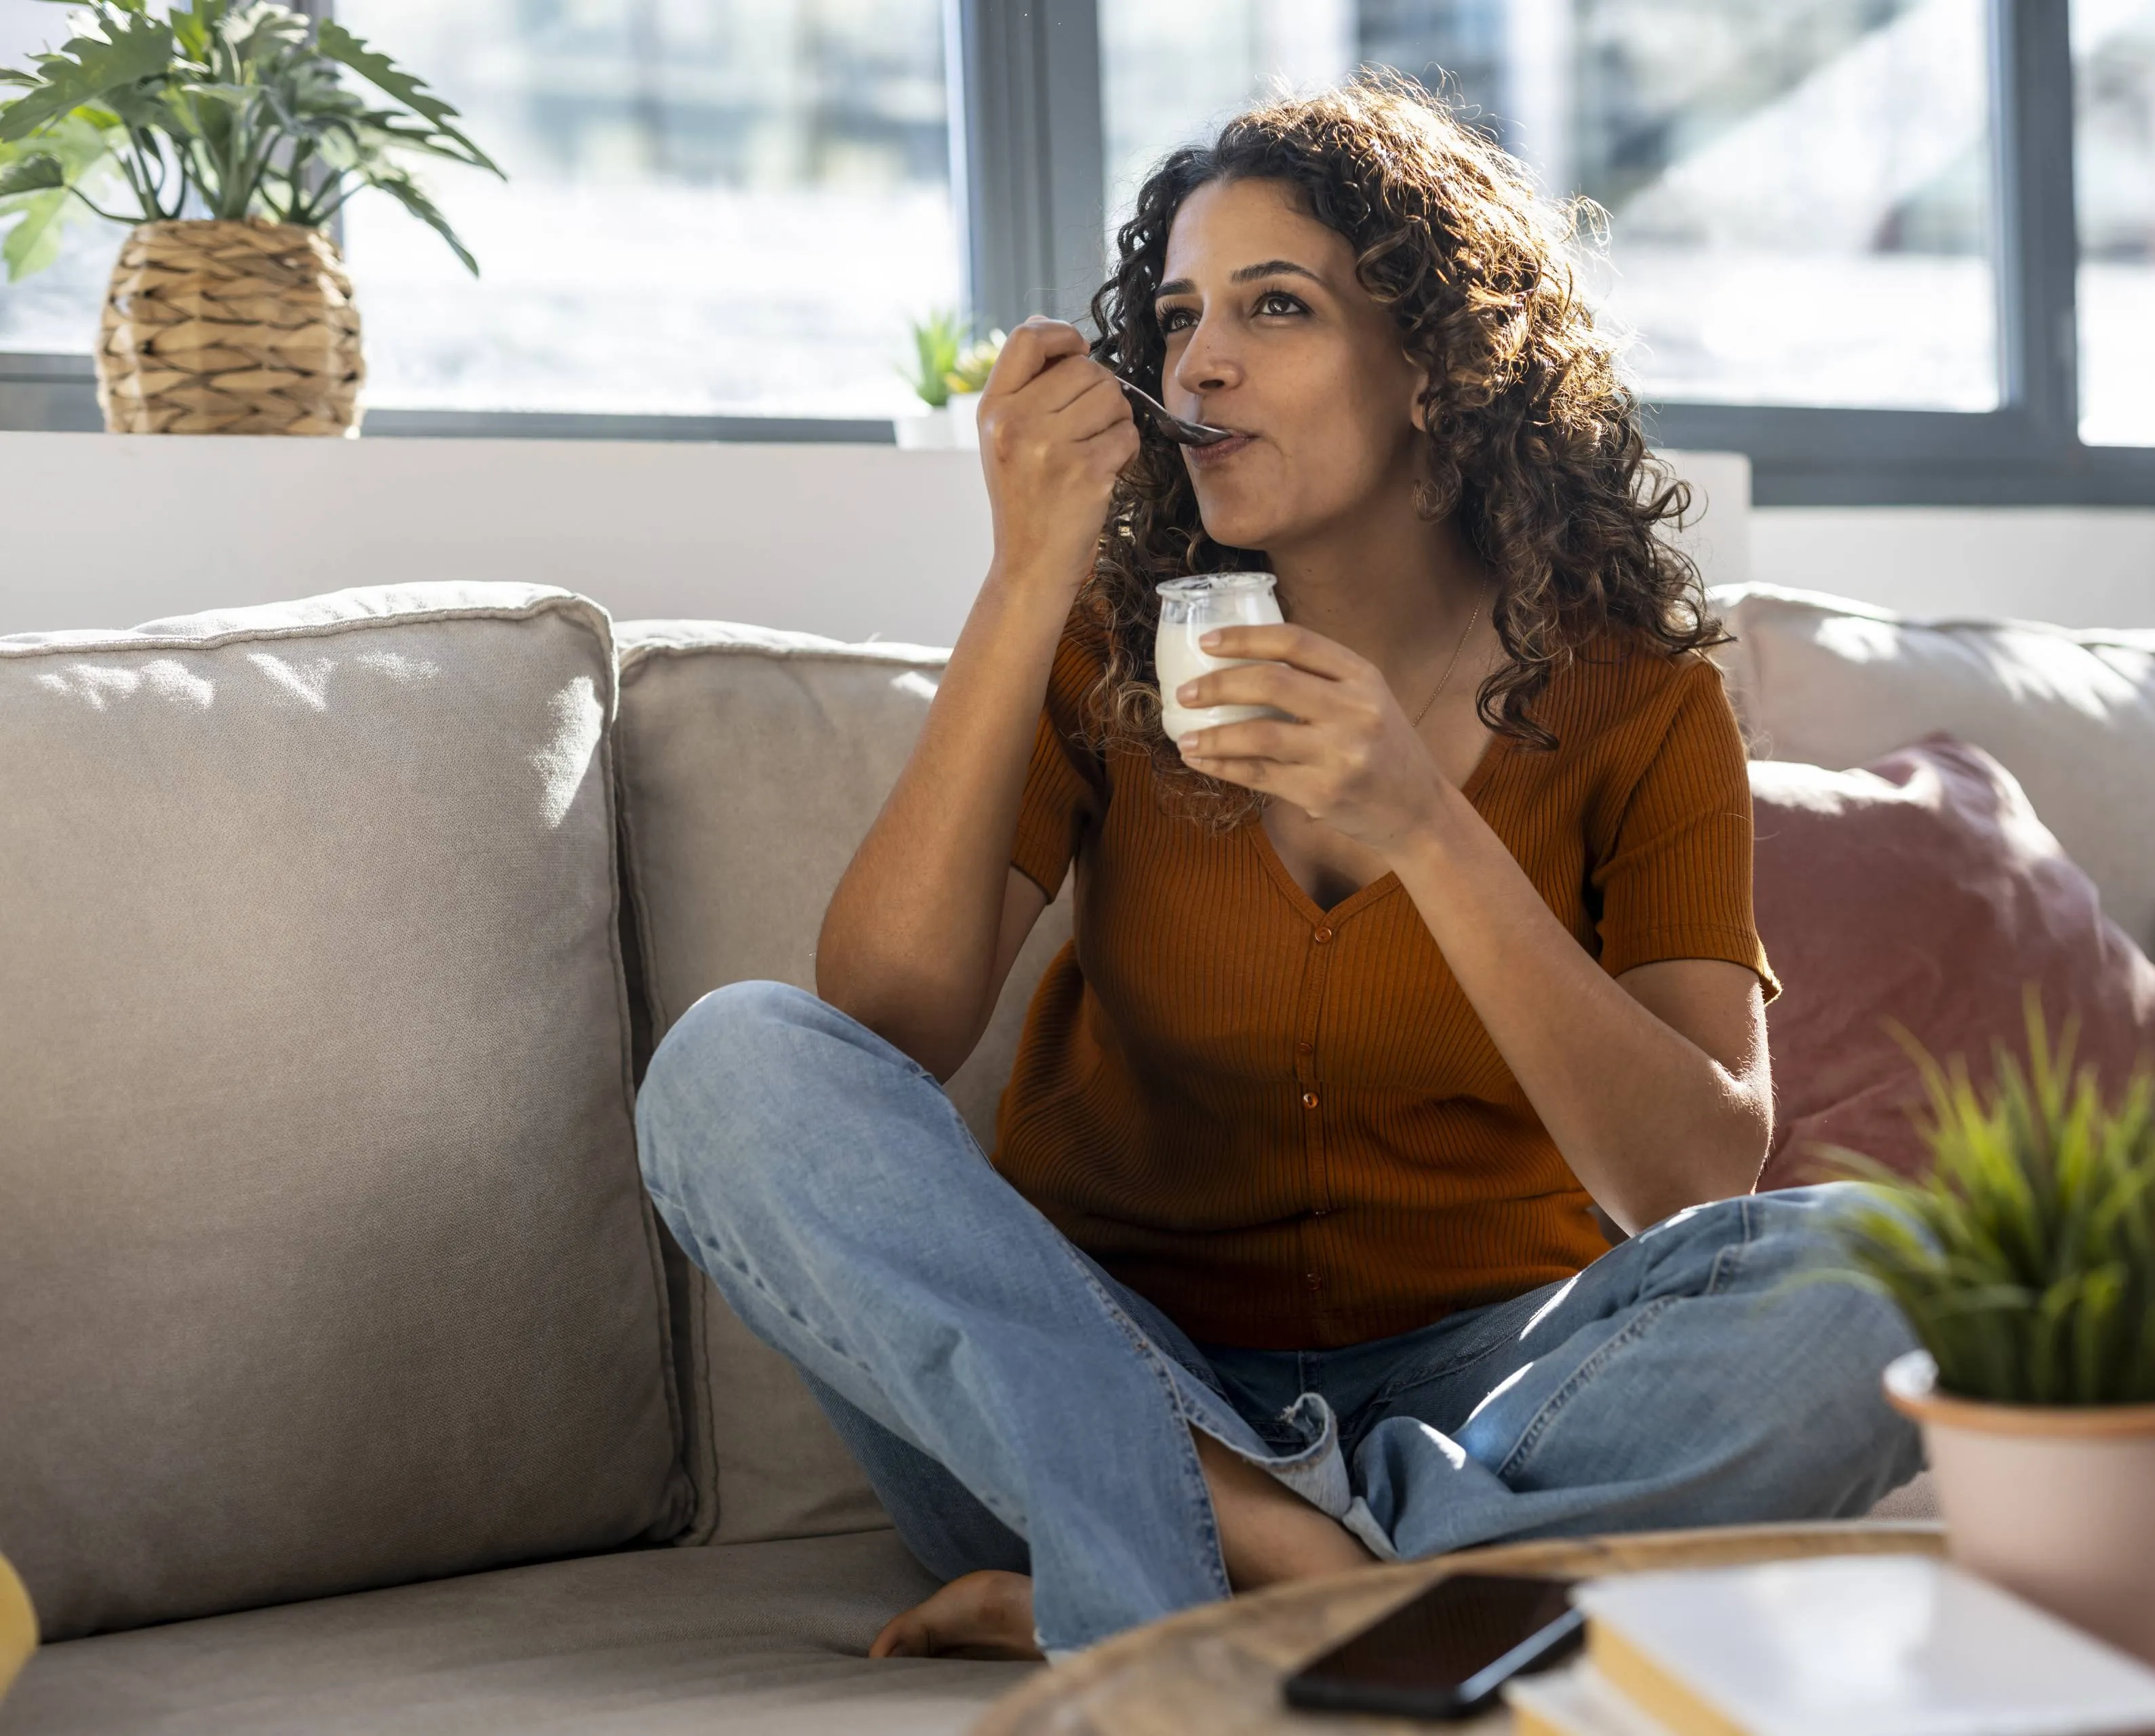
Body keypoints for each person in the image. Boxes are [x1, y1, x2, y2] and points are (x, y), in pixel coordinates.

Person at [635, 77, 1920, 1661]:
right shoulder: (1114, 653)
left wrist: (1429, 831)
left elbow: (1693, 1176)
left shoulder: (1640, 699)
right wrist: (1029, 568)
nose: (1201, 360)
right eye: (1177, 317)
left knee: (1890, 1269)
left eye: (1277, 306)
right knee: (732, 1061)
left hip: (1490, 1392)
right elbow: (884, 1016)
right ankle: (1325, 1574)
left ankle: (1188, 1591)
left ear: (1445, 371)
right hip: (1087, 1391)